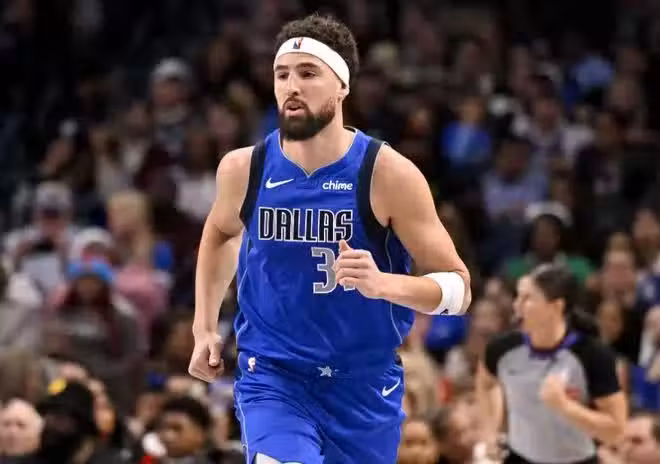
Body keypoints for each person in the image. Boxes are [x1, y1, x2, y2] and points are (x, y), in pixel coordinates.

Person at [188, 13, 472, 464]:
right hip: (275, 375)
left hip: (363, 382)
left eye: (307, 73)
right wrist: (204, 327)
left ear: (342, 86)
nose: (291, 86)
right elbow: (222, 233)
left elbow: (458, 290)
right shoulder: (244, 168)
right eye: (282, 74)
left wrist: (385, 284)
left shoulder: (387, 174)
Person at [476, 264, 627, 464]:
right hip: (518, 458)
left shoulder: (593, 355)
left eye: (528, 298)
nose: (516, 305)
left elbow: (616, 432)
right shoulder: (501, 349)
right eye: (518, 296)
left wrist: (565, 406)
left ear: (556, 307)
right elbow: (486, 384)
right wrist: (489, 432)